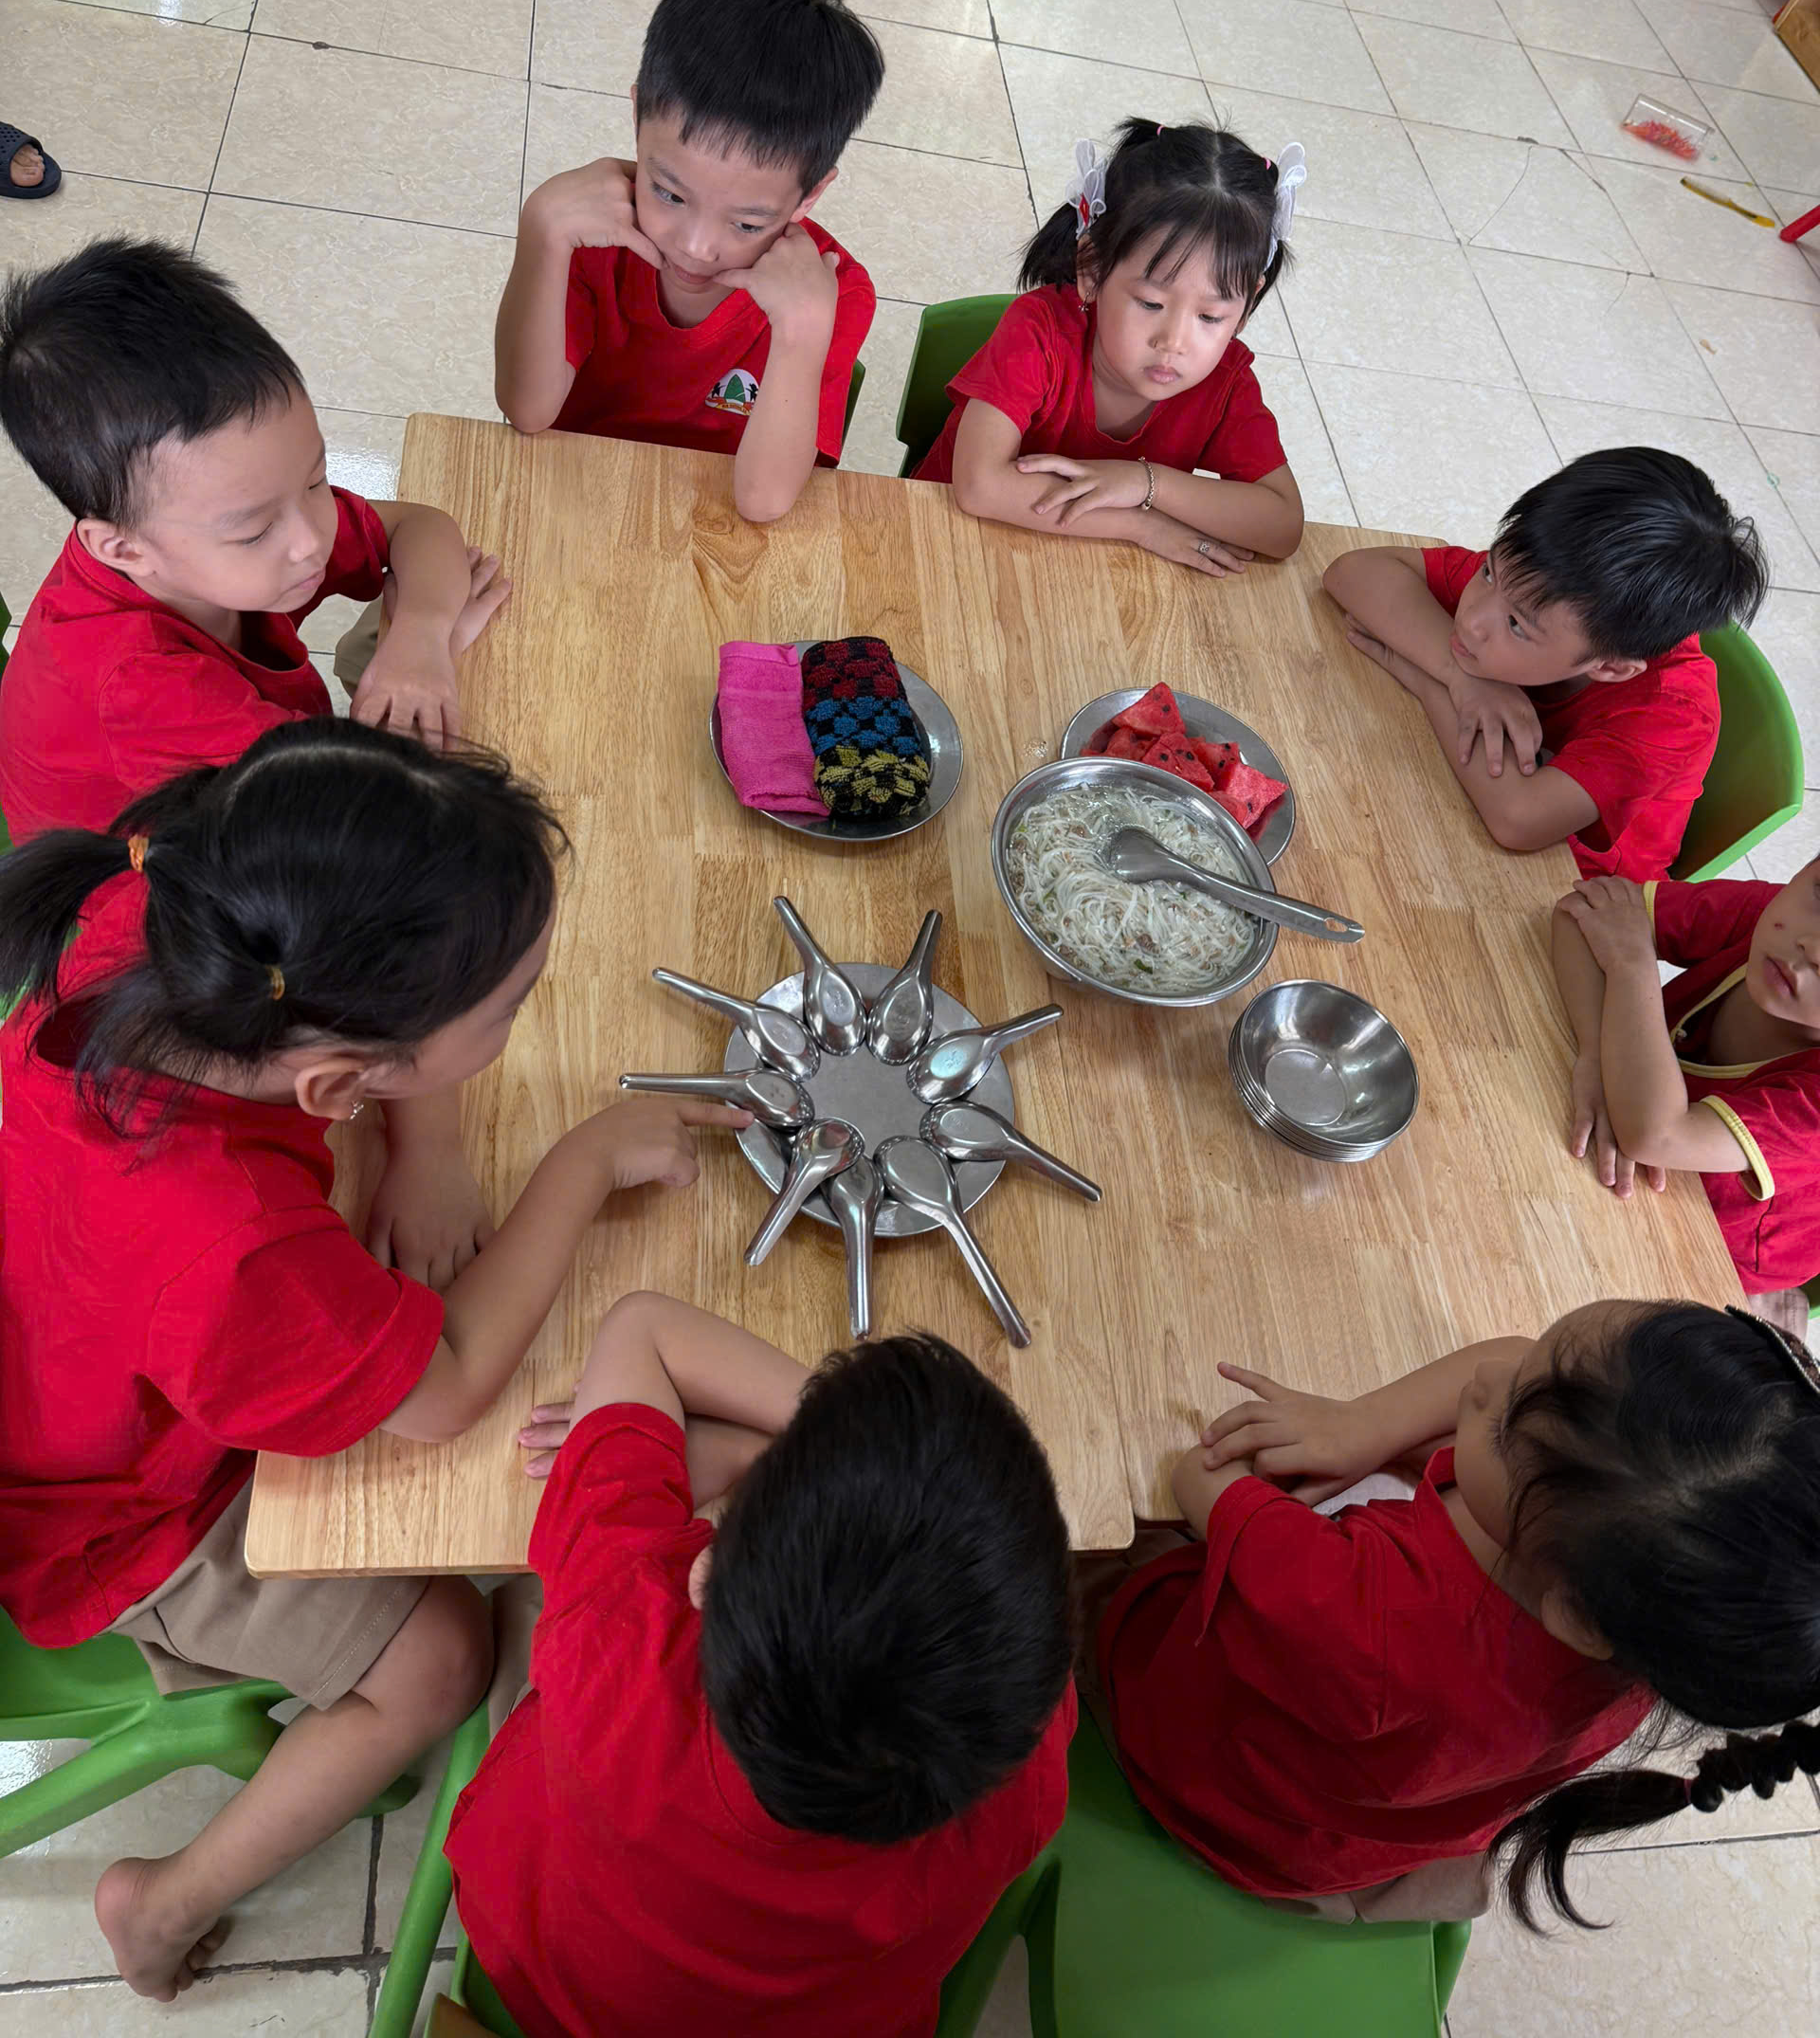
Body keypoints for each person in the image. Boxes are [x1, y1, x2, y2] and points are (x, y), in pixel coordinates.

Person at [0, 719, 742, 2002]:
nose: (523, 1011)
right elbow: (445, 1388)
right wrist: (581, 1163)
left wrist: (429, 1141)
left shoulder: (176, 909)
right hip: (106, 1516)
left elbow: (371, 1049)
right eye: (507, 1007)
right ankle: (161, 1904)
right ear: (341, 1082)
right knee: (440, 1657)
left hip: (70, 1352)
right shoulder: (233, 1252)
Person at [0, 239, 513, 1281]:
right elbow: (388, 876)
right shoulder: (141, 694)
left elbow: (419, 526)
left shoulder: (197, 535)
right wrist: (430, 1152)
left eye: (317, 477)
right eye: (255, 529)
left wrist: (419, 635)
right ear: (120, 548)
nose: (310, 541)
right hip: (150, 950)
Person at [446, 1296, 1076, 2038]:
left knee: (525, 1612)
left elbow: (641, 1329)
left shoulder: (620, 1636)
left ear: (704, 1572)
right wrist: (815, 1456)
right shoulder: (1024, 1781)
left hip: (540, 1981)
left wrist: (793, 1441)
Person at [1095, 1299, 1820, 1928]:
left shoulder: (1367, 1615)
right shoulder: (1653, 1629)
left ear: (1574, 1609)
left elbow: (1206, 1482)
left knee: (1100, 1536)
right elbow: (1512, 1363)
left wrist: (1281, 1474)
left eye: (1504, 1429)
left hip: (1218, 1800)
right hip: (1374, 1830)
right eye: (1535, 1368)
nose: (1487, 1379)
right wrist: (1363, 1425)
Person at [493, 0, 883, 524]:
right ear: (637, 118)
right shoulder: (590, 234)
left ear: (811, 194)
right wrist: (541, 233)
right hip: (571, 503)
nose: (697, 246)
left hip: (715, 532)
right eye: (669, 193)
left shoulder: (831, 289)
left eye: (747, 224)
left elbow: (764, 501)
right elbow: (527, 412)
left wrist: (802, 331)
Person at [1323, 449, 1768, 879]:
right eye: (1488, 572)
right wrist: (1459, 674)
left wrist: (1429, 681)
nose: (1473, 620)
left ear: (1610, 668)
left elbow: (1518, 820)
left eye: (1516, 626)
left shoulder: (1672, 712)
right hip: (1466, 800)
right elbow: (1353, 571)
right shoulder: (1535, 582)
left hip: (1572, 889)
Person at [917, 120, 1304, 580]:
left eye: (1210, 317)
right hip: (940, 545)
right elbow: (980, 487)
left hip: (1082, 578)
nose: (1173, 342)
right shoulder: (1038, 331)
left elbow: (1282, 526)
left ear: (1246, 307)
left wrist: (1145, 483)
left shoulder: (1226, 382)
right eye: (1151, 303)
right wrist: (1140, 524)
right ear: (1092, 270)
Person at [1554, 865, 1820, 1322]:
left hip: (1712, 1242)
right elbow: (1581, 911)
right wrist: (1597, 1055)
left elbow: (1655, 1134)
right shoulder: (1762, 912)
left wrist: (1631, 962)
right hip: (1645, 1136)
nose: (1812, 948)